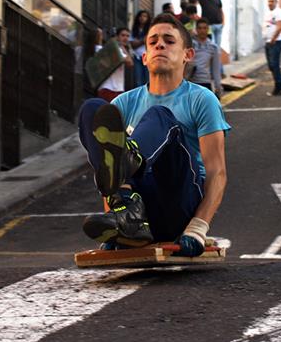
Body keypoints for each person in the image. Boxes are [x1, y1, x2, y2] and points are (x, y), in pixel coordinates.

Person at [77, 13, 230, 256]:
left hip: (178, 202)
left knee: (160, 116)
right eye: (153, 41)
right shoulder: (123, 103)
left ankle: (131, 160)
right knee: (92, 110)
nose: (160, 44)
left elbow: (217, 172)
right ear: (145, 57)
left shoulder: (202, 99)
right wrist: (115, 222)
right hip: (141, 209)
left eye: (169, 41)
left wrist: (198, 228)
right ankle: (126, 216)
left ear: (187, 55)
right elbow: (107, 170)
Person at [95, 27, 134, 102]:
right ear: (117, 37)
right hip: (107, 88)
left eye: (127, 36)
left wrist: (122, 46)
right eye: (123, 35)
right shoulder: (109, 49)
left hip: (119, 89)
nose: (125, 38)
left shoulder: (121, 50)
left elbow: (130, 63)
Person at [187, 18, 222, 97]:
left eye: (204, 28)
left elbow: (216, 69)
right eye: (199, 28)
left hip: (206, 83)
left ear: (208, 29)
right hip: (191, 82)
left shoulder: (213, 47)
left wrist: (218, 87)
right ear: (196, 29)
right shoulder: (190, 46)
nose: (202, 31)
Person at [263, 0, 281, 95]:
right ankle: (278, 83)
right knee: (271, 65)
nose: (270, 3)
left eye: (272, 1)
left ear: (276, 2)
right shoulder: (268, 12)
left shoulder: (278, 12)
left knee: (275, 64)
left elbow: (280, 27)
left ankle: (279, 87)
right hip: (268, 42)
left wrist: (273, 39)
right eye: (269, 1)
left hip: (276, 42)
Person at [130, 10, 151, 88]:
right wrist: (143, 40)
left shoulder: (150, 30)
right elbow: (133, 45)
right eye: (141, 16)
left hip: (148, 57)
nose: (142, 18)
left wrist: (139, 42)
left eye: (145, 16)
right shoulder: (134, 30)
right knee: (138, 80)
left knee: (148, 79)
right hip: (137, 57)